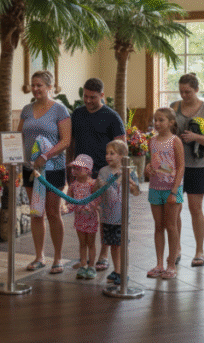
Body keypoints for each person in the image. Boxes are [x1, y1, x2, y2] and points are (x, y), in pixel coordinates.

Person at [69, 77, 125, 272]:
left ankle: (103, 254)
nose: (88, 100)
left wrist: (117, 171)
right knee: (84, 215)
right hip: (83, 175)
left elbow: (121, 147)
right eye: (85, 96)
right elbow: (71, 143)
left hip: (104, 173)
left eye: (93, 97)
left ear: (102, 95)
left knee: (105, 215)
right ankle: (86, 258)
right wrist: (72, 174)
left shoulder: (112, 116)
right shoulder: (77, 114)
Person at [18, 70, 71, 274]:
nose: (36, 88)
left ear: (50, 87)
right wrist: (10, 154)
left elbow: (65, 141)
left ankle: (57, 257)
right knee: (36, 213)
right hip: (31, 169)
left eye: (39, 85)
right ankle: (39, 256)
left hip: (53, 169)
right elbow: (18, 136)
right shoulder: (26, 109)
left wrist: (46, 156)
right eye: (33, 85)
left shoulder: (59, 110)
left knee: (52, 213)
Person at [169, 73, 204, 267]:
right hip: (175, 167)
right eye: (181, 91)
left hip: (198, 166)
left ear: (197, 90)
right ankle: (177, 248)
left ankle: (199, 250)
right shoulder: (174, 107)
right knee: (176, 209)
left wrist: (195, 138)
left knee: (195, 208)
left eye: (188, 92)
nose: (184, 95)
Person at [144, 107, 184, 279]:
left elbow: (180, 166)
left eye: (161, 120)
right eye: (155, 120)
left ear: (171, 123)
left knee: (171, 226)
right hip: (155, 188)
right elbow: (153, 163)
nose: (157, 123)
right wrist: (148, 168)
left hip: (171, 189)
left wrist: (174, 191)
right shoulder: (152, 141)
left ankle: (171, 263)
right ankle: (159, 263)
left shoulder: (175, 141)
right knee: (158, 226)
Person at [97, 140, 140, 286]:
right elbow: (99, 191)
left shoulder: (129, 171)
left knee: (122, 245)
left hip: (121, 216)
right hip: (107, 216)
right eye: (107, 153)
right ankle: (117, 270)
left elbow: (136, 192)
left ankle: (124, 272)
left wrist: (133, 186)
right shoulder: (103, 171)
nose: (108, 156)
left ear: (122, 155)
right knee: (113, 245)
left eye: (112, 153)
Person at [67, 154, 98, 280]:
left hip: (91, 218)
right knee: (82, 243)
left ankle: (92, 266)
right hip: (79, 218)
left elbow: (98, 198)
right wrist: (68, 207)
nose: (75, 171)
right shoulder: (74, 185)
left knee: (91, 243)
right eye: (74, 168)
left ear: (88, 170)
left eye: (78, 168)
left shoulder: (93, 184)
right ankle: (83, 265)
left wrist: (92, 205)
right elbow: (69, 199)